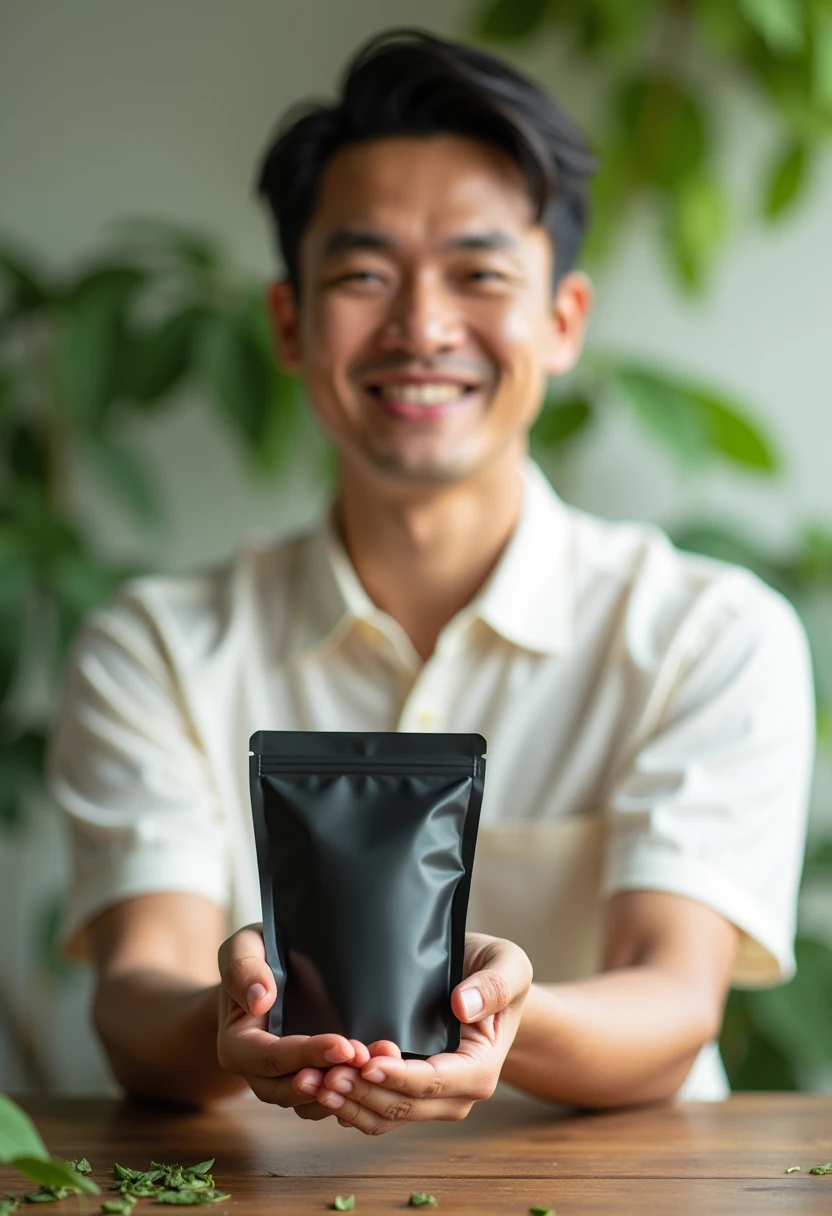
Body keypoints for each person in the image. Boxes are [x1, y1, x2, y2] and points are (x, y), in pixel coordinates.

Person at [50, 28, 815, 1131]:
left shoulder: (708, 632)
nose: (420, 325)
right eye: (364, 275)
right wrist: (235, 1017)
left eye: (479, 273)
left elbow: (675, 997)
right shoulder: (156, 645)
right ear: (289, 321)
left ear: (561, 323)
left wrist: (502, 1016)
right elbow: (135, 997)